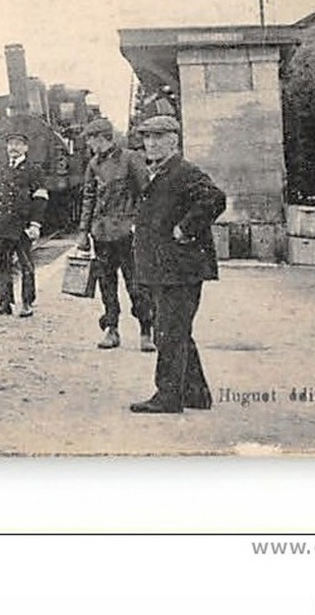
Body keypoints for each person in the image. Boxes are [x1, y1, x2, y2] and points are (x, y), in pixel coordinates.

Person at [128, 115, 228, 414]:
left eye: (159, 137)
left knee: (168, 332)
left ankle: (168, 397)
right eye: (147, 138)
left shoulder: (183, 170)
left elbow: (215, 199)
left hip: (180, 268)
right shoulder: (161, 171)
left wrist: (186, 228)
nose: (152, 143)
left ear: (174, 140)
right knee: (176, 330)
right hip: (167, 267)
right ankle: (195, 394)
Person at [79, 117, 155, 351]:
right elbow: (88, 198)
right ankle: (111, 329)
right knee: (106, 284)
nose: (90, 145)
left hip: (127, 233)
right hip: (101, 234)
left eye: (92, 139)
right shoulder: (93, 164)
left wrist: (139, 224)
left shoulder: (130, 159)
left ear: (103, 138)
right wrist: (83, 231)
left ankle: (146, 331)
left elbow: (147, 194)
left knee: (136, 284)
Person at [0, 128, 48, 317]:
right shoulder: (1, 168)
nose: (14, 148)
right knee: (3, 265)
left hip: (23, 226)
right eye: (11, 144)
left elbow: (41, 198)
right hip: (3, 224)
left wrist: (35, 224)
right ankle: (4, 303)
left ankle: (27, 302)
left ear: (26, 148)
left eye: (18, 145)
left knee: (26, 264)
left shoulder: (34, 170)